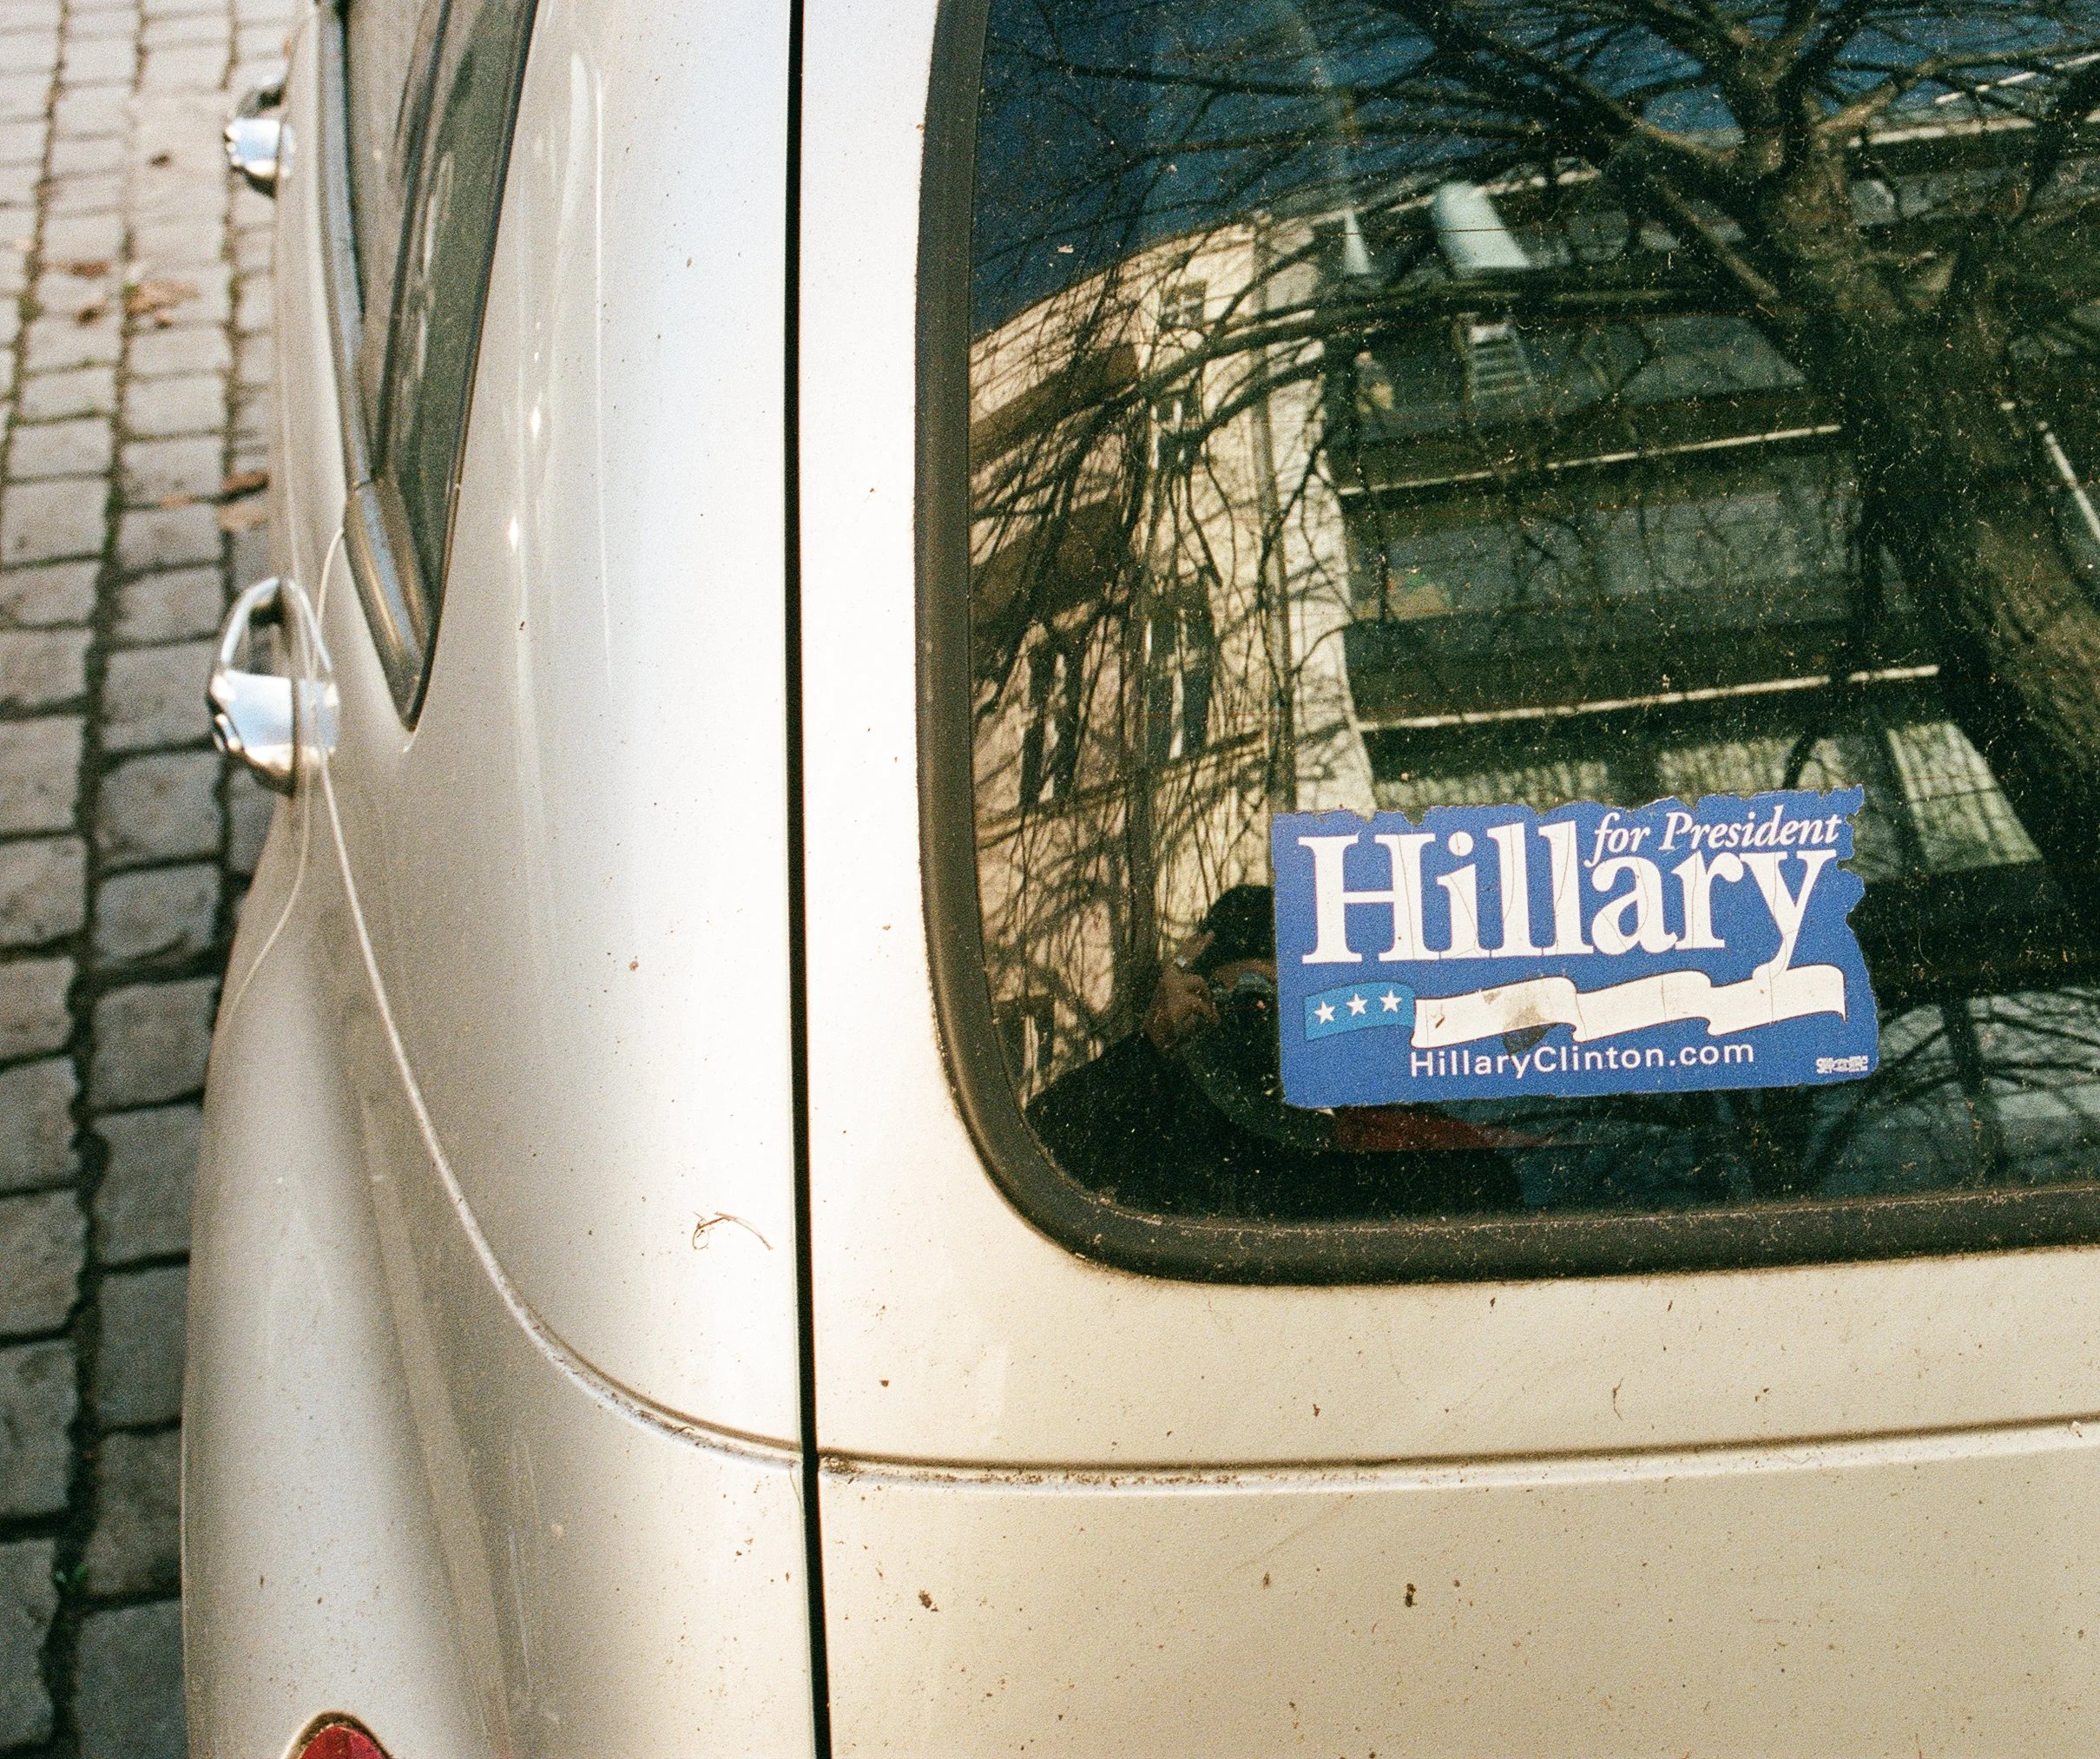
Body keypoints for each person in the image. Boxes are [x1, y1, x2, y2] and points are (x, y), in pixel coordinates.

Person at [1024, 886, 1523, 1218]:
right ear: (1199, 996)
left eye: (1294, 1004)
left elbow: (1486, 1196)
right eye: (1245, 996)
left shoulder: (1394, 1129)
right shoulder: (1162, 1112)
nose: (1265, 1018)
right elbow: (1039, 1158)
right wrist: (1152, 1047)